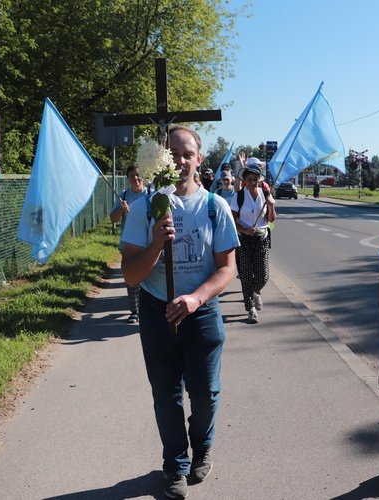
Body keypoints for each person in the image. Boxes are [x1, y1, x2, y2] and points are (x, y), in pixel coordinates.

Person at [120, 125, 240, 499]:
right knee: (167, 394)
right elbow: (130, 273)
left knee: (205, 394)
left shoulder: (214, 206)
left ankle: (202, 448)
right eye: (173, 154)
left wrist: (195, 299)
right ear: (163, 161)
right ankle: (175, 465)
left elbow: (227, 267)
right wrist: (156, 243)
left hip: (201, 313)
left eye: (188, 154)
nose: (181, 160)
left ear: (199, 160)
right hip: (158, 312)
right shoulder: (145, 208)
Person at [230, 158, 276, 324]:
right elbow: (232, 220)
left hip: (261, 239)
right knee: (246, 276)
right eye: (249, 179)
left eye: (255, 180)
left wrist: (270, 206)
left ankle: (255, 292)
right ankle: (250, 309)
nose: (252, 182)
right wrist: (244, 230)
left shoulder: (265, 195)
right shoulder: (239, 196)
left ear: (259, 180)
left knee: (263, 276)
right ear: (245, 180)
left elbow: (271, 219)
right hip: (244, 241)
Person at [109, 163, 152, 324]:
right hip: (128, 244)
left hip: (148, 243)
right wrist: (121, 209)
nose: (136, 178)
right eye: (132, 175)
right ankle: (134, 311)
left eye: (138, 175)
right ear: (128, 178)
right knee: (132, 278)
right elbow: (113, 219)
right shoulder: (123, 196)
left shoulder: (150, 195)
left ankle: (149, 309)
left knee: (149, 277)